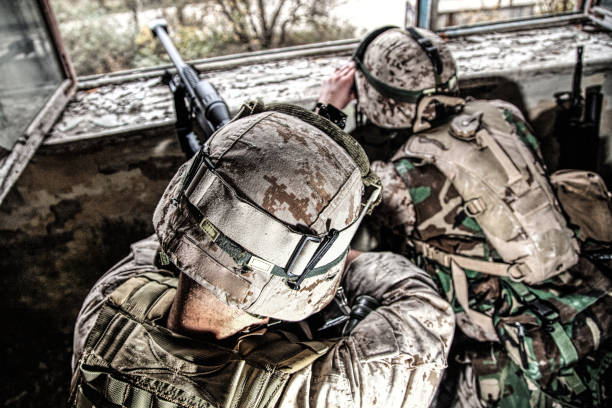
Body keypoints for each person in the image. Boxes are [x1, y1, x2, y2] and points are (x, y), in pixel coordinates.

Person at [69, 102, 455, 408]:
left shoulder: (104, 309)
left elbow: (175, 240)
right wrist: (343, 260)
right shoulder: (337, 392)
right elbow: (423, 307)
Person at [315, 26, 612, 407]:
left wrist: (327, 111)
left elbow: (317, 201)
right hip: (566, 287)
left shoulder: (397, 181)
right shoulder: (504, 115)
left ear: (377, 99)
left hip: (491, 342)